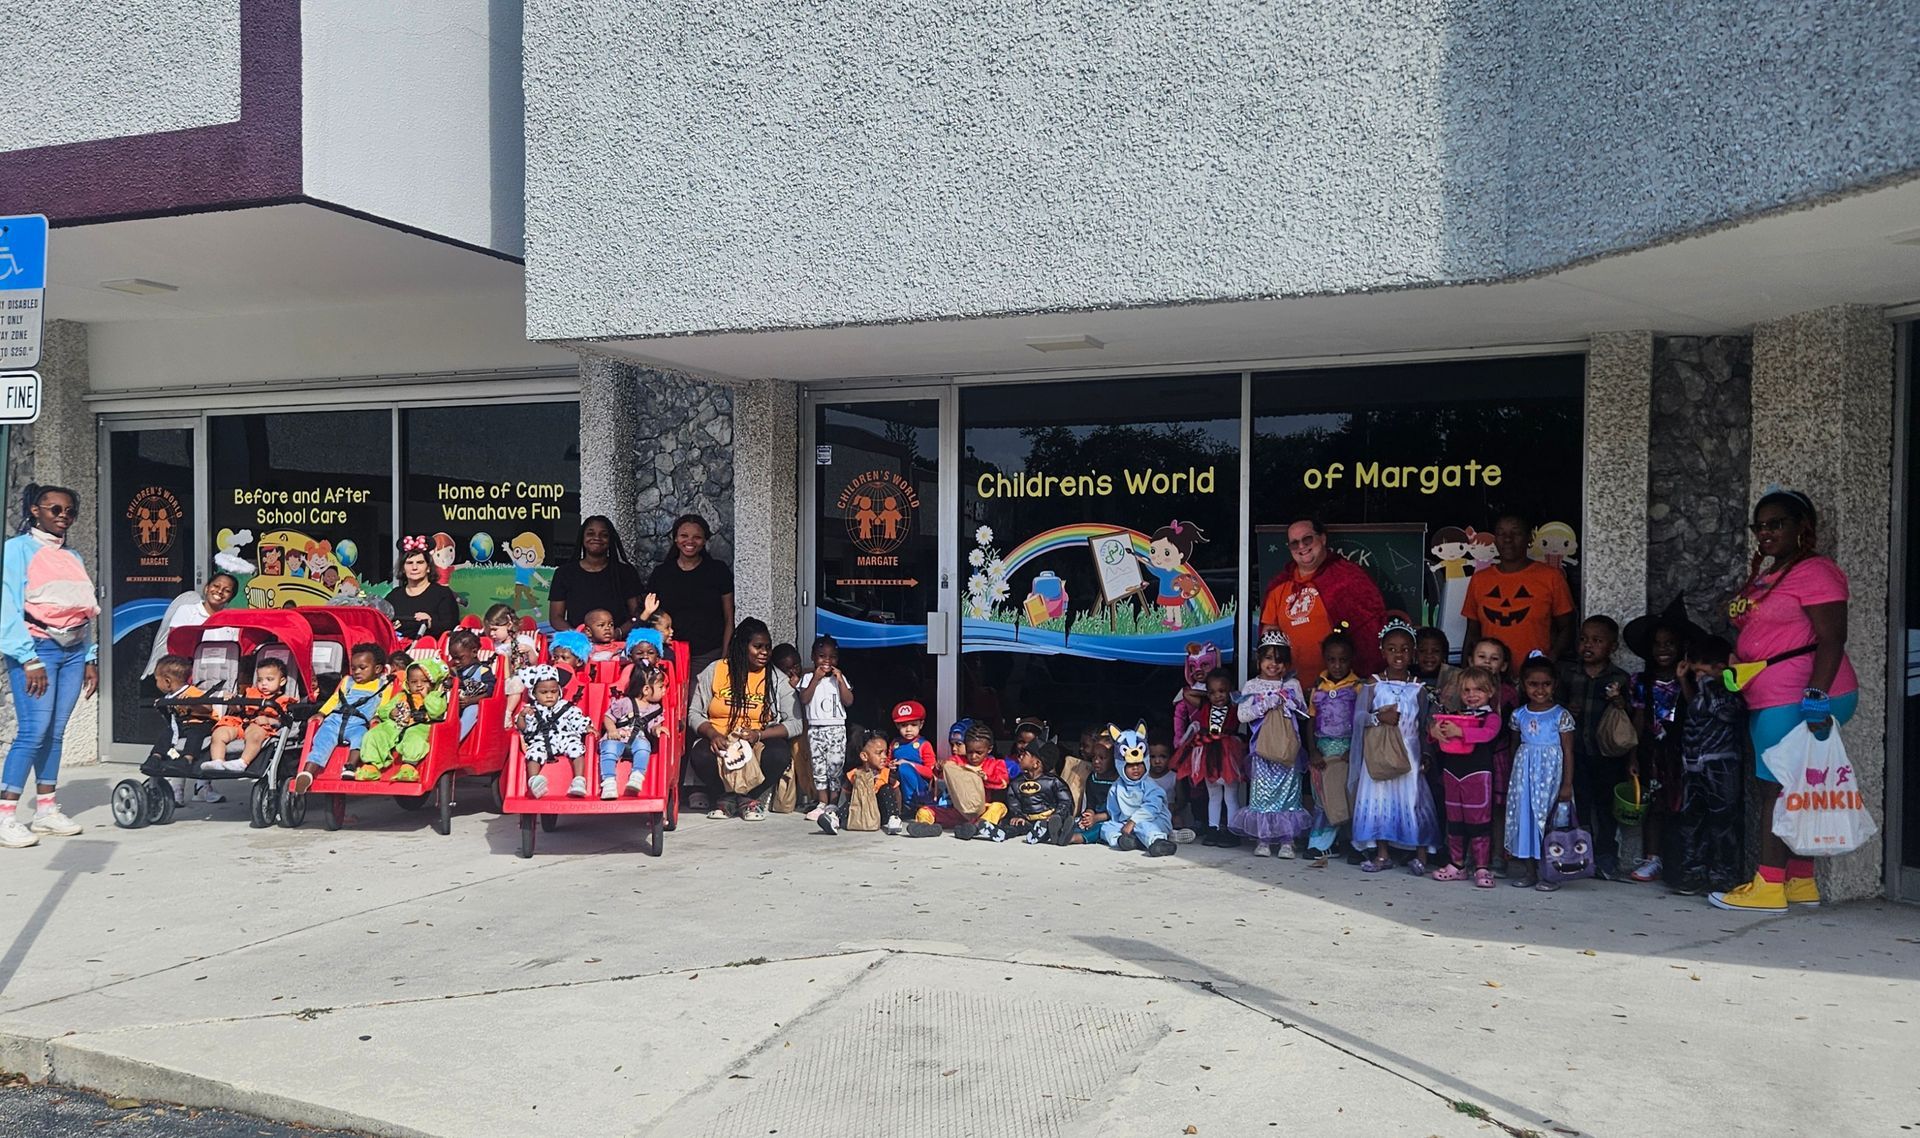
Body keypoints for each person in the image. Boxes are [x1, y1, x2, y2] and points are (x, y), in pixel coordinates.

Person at [1712, 488, 1858, 914]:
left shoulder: (1816, 572)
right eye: (1760, 525)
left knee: (1773, 787)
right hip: (1772, 692)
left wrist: (1816, 695)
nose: (1766, 532)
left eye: (1777, 523)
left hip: (1802, 694)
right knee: (1796, 787)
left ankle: (1769, 886)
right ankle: (1799, 881)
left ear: (1802, 528)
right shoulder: (1771, 573)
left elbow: (1833, 639)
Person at [0, 484, 100, 847]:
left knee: (55, 733)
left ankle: (45, 810)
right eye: (54, 509)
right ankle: (6, 815)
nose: (62, 516)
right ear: (34, 510)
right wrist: (27, 659)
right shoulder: (16, 550)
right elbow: (7, 607)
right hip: (37, 649)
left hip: (74, 651)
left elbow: (82, 609)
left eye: (69, 511)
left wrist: (89, 657)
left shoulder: (72, 555)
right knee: (32, 732)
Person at [1622, 598, 1703, 883]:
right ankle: (1653, 857)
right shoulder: (1640, 681)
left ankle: (1683, 858)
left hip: (1684, 750)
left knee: (1683, 803)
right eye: (1657, 644)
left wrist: (1683, 680)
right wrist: (1632, 755)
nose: (1663, 649)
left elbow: (1697, 708)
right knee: (1653, 804)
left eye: (1670, 643)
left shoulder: (1694, 679)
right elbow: (1639, 718)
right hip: (1652, 751)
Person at [687, 617, 799, 820]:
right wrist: (712, 734)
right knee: (700, 754)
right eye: (757, 646)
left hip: (756, 743)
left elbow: (795, 723)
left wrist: (759, 734)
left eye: (768, 647)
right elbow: (694, 713)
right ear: (742, 646)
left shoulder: (776, 678)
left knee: (779, 754)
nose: (764, 652)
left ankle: (747, 798)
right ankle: (725, 797)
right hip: (720, 740)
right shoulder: (716, 670)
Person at [1351, 623, 1441, 874]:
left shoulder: (1419, 688)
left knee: (1414, 800)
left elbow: (1424, 724)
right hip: (1380, 753)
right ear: (1382, 652)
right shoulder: (1373, 684)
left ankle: (1420, 854)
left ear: (1413, 653)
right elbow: (1358, 718)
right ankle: (1382, 854)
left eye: (1404, 649)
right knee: (1380, 800)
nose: (1398, 655)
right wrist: (1379, 718)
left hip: (1410, 753)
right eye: (1392, 649)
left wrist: (1425, 753)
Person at [1258, 517, 1387, 684]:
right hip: (1290, 690)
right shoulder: (1279, 585)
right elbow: (1268, 638)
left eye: (1307, 539)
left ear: (1323, 538)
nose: (1302, 547)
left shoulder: (1347, 577)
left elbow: (1369, 631)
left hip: (1340, 688)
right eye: (1294, 543)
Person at [1556, 616, 1632, 880]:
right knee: (1582, 805)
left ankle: (1607, 856)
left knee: (1606, 806)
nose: (1588, 645)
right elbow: (1553, 704)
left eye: (1597, 641)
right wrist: (1566, 708)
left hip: (1607, 755)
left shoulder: (1619, 678)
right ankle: (1581, 854)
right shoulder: (1567, 673)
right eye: (1584, 639)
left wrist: (1620, 702)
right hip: (1575, 752)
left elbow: (1631, 719)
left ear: (1612, 646)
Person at [1671, 635, 1745, 896]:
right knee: (1692, 820)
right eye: (1696, 672)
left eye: (1703, 671)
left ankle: (1724, 873)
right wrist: (1684, 680)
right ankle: (1694, 871)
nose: (1699, 677)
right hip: (1693, 765)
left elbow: (1727, 712)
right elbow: (1696, 709)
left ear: (1719, 668)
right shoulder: (1699, 691)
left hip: (1720, 765)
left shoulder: (1727, 689)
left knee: (1722, 821)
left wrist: (1714, 684)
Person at [1229, 632, 1312, 858]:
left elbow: (1305, 714)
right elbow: (1242, 716)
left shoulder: (1292, 684)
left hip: (1287, 750)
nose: (1272, 664)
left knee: (1289, 794)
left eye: (1278, 659)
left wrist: (1289, 702)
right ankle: (1263, 839)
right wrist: (1265, 704)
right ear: (1259, 660)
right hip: (1262, 750)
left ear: (1286, 663)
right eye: (1267, 658)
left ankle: (1287, 840)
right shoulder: (1252, 686)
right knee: (1262, 794)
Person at [1460, 513, 1575, 664]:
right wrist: (1465, 673)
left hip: (1535, 676)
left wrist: (1550, 660)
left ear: (1529, 538)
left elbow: (1567, 627)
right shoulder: (1480, 579)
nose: (1508, 539)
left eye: (1516, 533)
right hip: (1491, 675)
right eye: (1501, 533)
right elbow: (1472, 633)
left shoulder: (1551, 577)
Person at [1506, 653, 1577, 891]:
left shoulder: (1561, 715)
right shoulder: (1519, 715)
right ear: (1523, 685)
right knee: (1526, 821)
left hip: (1551, 778)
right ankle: (1529, 872)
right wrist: (1513, 777)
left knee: (1549, 824)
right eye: (1533, 684)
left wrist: (1566, 784)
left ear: (1554, 685)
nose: (1540, 689)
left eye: (1546, 684)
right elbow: (1515, 747)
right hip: (1524, 777)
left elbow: (1568, 751)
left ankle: (1551, 875)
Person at [1429, 666, 1504, 887]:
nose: (1472, 695)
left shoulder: (1491, 717)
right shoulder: (1455, 715)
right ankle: (1457, 864)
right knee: (1455, 821)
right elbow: (1435, 734)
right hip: (1453, 773)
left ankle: (1481, 867)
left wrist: (1460, 732)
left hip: (1478, 775)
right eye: (1466, 690)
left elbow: (1488, 734)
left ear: (1490, 691)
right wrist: (1434, 732)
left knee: (1479, 822)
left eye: (1478, 690)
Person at [645, 514, 735, 677]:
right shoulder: (662, 573)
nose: (690, 541)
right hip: (669, 654)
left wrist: (725, 655)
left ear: (705, 540)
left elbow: (729, 617)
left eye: (697, 537)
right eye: (684, 536)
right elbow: (650, 615)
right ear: (675, 539)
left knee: (698, 701)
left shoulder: (717, 571)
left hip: (708, 655)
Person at [293, 643, 389, 791]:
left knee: (361, 739)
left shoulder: (382, 685)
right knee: (321, 741)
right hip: (335, 720)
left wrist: (376, 717)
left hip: (359, 724)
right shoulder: (347, 682)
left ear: (377, 669)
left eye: (362, 668)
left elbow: (384, 705)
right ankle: (307, 773)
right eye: (354, 668)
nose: (357, 672)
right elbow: (334, 699)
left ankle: (350, 766)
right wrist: (322, 713)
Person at [1305, 632, 1362, 866]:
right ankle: (1321, 844)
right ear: (1324, 659)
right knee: (1323, 797)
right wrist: (1313, 751)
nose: (1337, 666)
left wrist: (1355, 751)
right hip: (1323, 750)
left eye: (1343, 660)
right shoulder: (1318, 688)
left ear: (1351, 660)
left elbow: (1361, 723)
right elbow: (1310, 721)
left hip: (1347, 751)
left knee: (1349, 797)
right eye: (1332, 660)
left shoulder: (1358, 687)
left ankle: (1353, 843)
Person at [1176, 667, 1247, 847]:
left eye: (1222, 691)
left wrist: (1231, 694)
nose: (1218, 696)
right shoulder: (1205, 705)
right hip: (1208, 753)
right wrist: (1205, 694)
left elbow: (1245, 698)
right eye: (1213, 692)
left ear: (1230, 689)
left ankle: (1232, 831)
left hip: (1228, 753)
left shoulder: (1235, 705)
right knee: (1213, 794)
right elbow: (1187, 694)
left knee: (1230, 795)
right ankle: (1213, 829)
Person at [356, 658, 450, 784]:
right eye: (414, 682)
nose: (419, 685)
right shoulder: (402, 696)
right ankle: (371, 766)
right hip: (397, 724)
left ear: (433, 683)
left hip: (420, 725)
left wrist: (426, 696)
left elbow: (436, 711)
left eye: (425, 681)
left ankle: (408, 767)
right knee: (375, 734)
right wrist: (391, 712)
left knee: (415, 738)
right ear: (408, 683)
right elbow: (384, 710)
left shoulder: (435, 696)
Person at [547, 516, 645, 634]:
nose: (597, 538)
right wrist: (577, 635)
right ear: (582, 537)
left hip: (619, 645)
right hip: (578, 646)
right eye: (590, 533)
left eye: (603, 535)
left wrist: (618, 633)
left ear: (610, 540)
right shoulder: (564, 573)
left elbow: (636, 614)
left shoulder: (625, 572)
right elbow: (556, 618)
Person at [1093, 723, 1178, 856]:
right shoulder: (1116, 787)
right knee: (1106, 828)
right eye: (1130, 765)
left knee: (1143, 827)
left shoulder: (1150, 785)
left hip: (1153, 821)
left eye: (1139, 764)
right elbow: (1114, 813)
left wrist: (1133, 821)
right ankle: (1127, 841)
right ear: (1120, 765)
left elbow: (1152, 808)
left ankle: (1158, 842)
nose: (1136, 768)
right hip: (1128, 826)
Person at [140, 572, 238, 679]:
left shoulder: (231, 618)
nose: (219, 591)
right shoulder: (187, 610)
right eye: (216, 586)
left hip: (221, 676)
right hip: (188, 676)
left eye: (227, 590)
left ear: (231, 597)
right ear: (206, 588)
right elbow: (175, 644)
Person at [517, 664, 592, 798]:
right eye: (544, 693)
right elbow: (523, 728)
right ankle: (534, 781)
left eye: (554, 691)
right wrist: (522, 716)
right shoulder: (531, 709)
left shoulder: (566, 707)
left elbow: (577, 719)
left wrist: (586, 727)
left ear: (559, 691)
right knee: (533, 753)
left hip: (565, 737)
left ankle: (579, 780)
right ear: (534, 693)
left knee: (577, 747)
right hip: (541, 739)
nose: (549, 696)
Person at [798, 636, 852, 823]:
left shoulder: (840, 678)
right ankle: (822, 802)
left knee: (835, 767)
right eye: (822, 656)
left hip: (836, 729)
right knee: (819, 767)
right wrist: (816, 678)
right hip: (816, 729)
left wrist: (841, 682)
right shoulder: (807, 678)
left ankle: (833, 803)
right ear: (813, 657)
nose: (827, 661)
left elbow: (849, 701)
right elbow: (804, 699)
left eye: (832, 657)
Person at [204, 657, 294, 771]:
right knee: (219, 733)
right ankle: (217, 761)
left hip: (261, 727)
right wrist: (232, 701)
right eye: (260, 680)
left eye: (269, 679)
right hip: (241, 723)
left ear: (282, 681)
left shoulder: (284, 700)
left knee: (255, 735)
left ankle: (242, 762)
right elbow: (238, 709)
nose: (263, 684)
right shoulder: (251, 692)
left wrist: (269, 720)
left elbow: (284, 720)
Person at [818, 730, 906, 837]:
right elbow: (845, 796)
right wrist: (840, 807)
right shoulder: (854, 774)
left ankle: (894, 819)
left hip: (881, 813)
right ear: (864, 756)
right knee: (851, 802)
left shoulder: (887, 773)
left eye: (885, 752)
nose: (884, 757)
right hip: (860, 812)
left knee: (886, 789)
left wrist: (898, 813)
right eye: (879, 753)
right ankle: (835, 820)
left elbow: (897, 794)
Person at [599, 664, 664, 798]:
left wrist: (657, 729)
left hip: (638, 739)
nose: (664, 691)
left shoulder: (656, 709)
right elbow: (608, 717)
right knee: (608, 749)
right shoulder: (624, 702)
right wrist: (611, 730)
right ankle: (609, 782)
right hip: (617, 738)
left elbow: (652, 727)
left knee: (644, 746)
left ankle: (637, 775)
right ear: (646, 689)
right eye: (661, 687)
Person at [1004, 745, 1074, 845]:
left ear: (1036, 764)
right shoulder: (1016, 783)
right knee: (1014, 826)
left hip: (1048, 818)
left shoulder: (1053, 781)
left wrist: (1058, 814)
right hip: (1026, 820)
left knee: (1049, 825)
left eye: (1025, 755)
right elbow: (1013, 801)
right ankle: (1001, 833)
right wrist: (1017, 815)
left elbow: (1065, 801)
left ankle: (1049, 832)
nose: (1020, 757)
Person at [391, 539, 460, 639]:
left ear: (428, 568)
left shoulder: (442, 594)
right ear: (403, 569)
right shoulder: (394, 596)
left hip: (430, 651)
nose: (414, 567)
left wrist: (431, 623)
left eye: (420, 562)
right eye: (409, 563)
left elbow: (452, 626)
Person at [447, 630, 497, 742]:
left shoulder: (483, 670)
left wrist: (471, 700)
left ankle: (455, 739)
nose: (456, 661)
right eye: (453, 658)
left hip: (476, 704)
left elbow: (489, 691)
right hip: (456, 703)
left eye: (460, 658)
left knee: (472, 710)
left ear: (474, 652)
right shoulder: (455, 671)